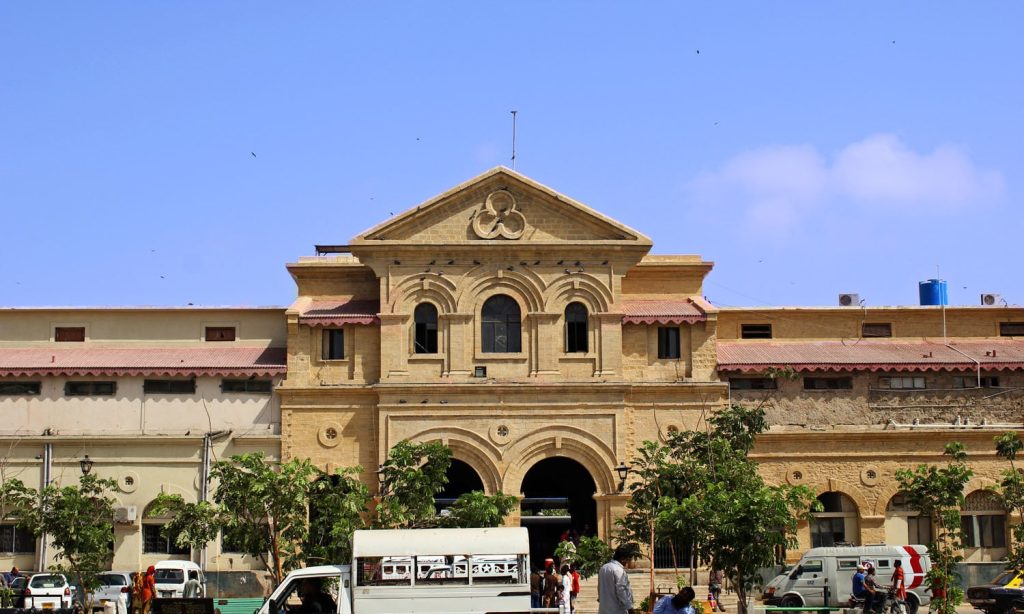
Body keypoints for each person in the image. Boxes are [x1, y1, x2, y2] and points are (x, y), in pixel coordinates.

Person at [597, 545, 635, 614]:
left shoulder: (603, 567)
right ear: (623, 558)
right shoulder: (618, 570)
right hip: (617, 610)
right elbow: (621, 590)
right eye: (627, 560)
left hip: (604, 610)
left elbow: (599, 587)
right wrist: (630, 608)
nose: (627, 563)